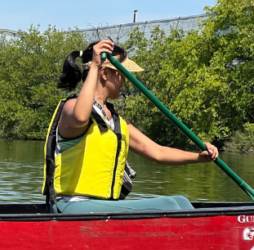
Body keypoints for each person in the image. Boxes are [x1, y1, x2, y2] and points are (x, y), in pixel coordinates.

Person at [43, 40, 219, 214]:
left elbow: (158, 152)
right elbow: (81, 116)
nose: (125, 79)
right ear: (105, 73)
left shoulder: (117, 122)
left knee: (180, 201)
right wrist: (95, 66)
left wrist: (199, 157)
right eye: (122, 72)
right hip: (71, 205)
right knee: (170, 206)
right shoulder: (71, 108)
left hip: (102, 207)